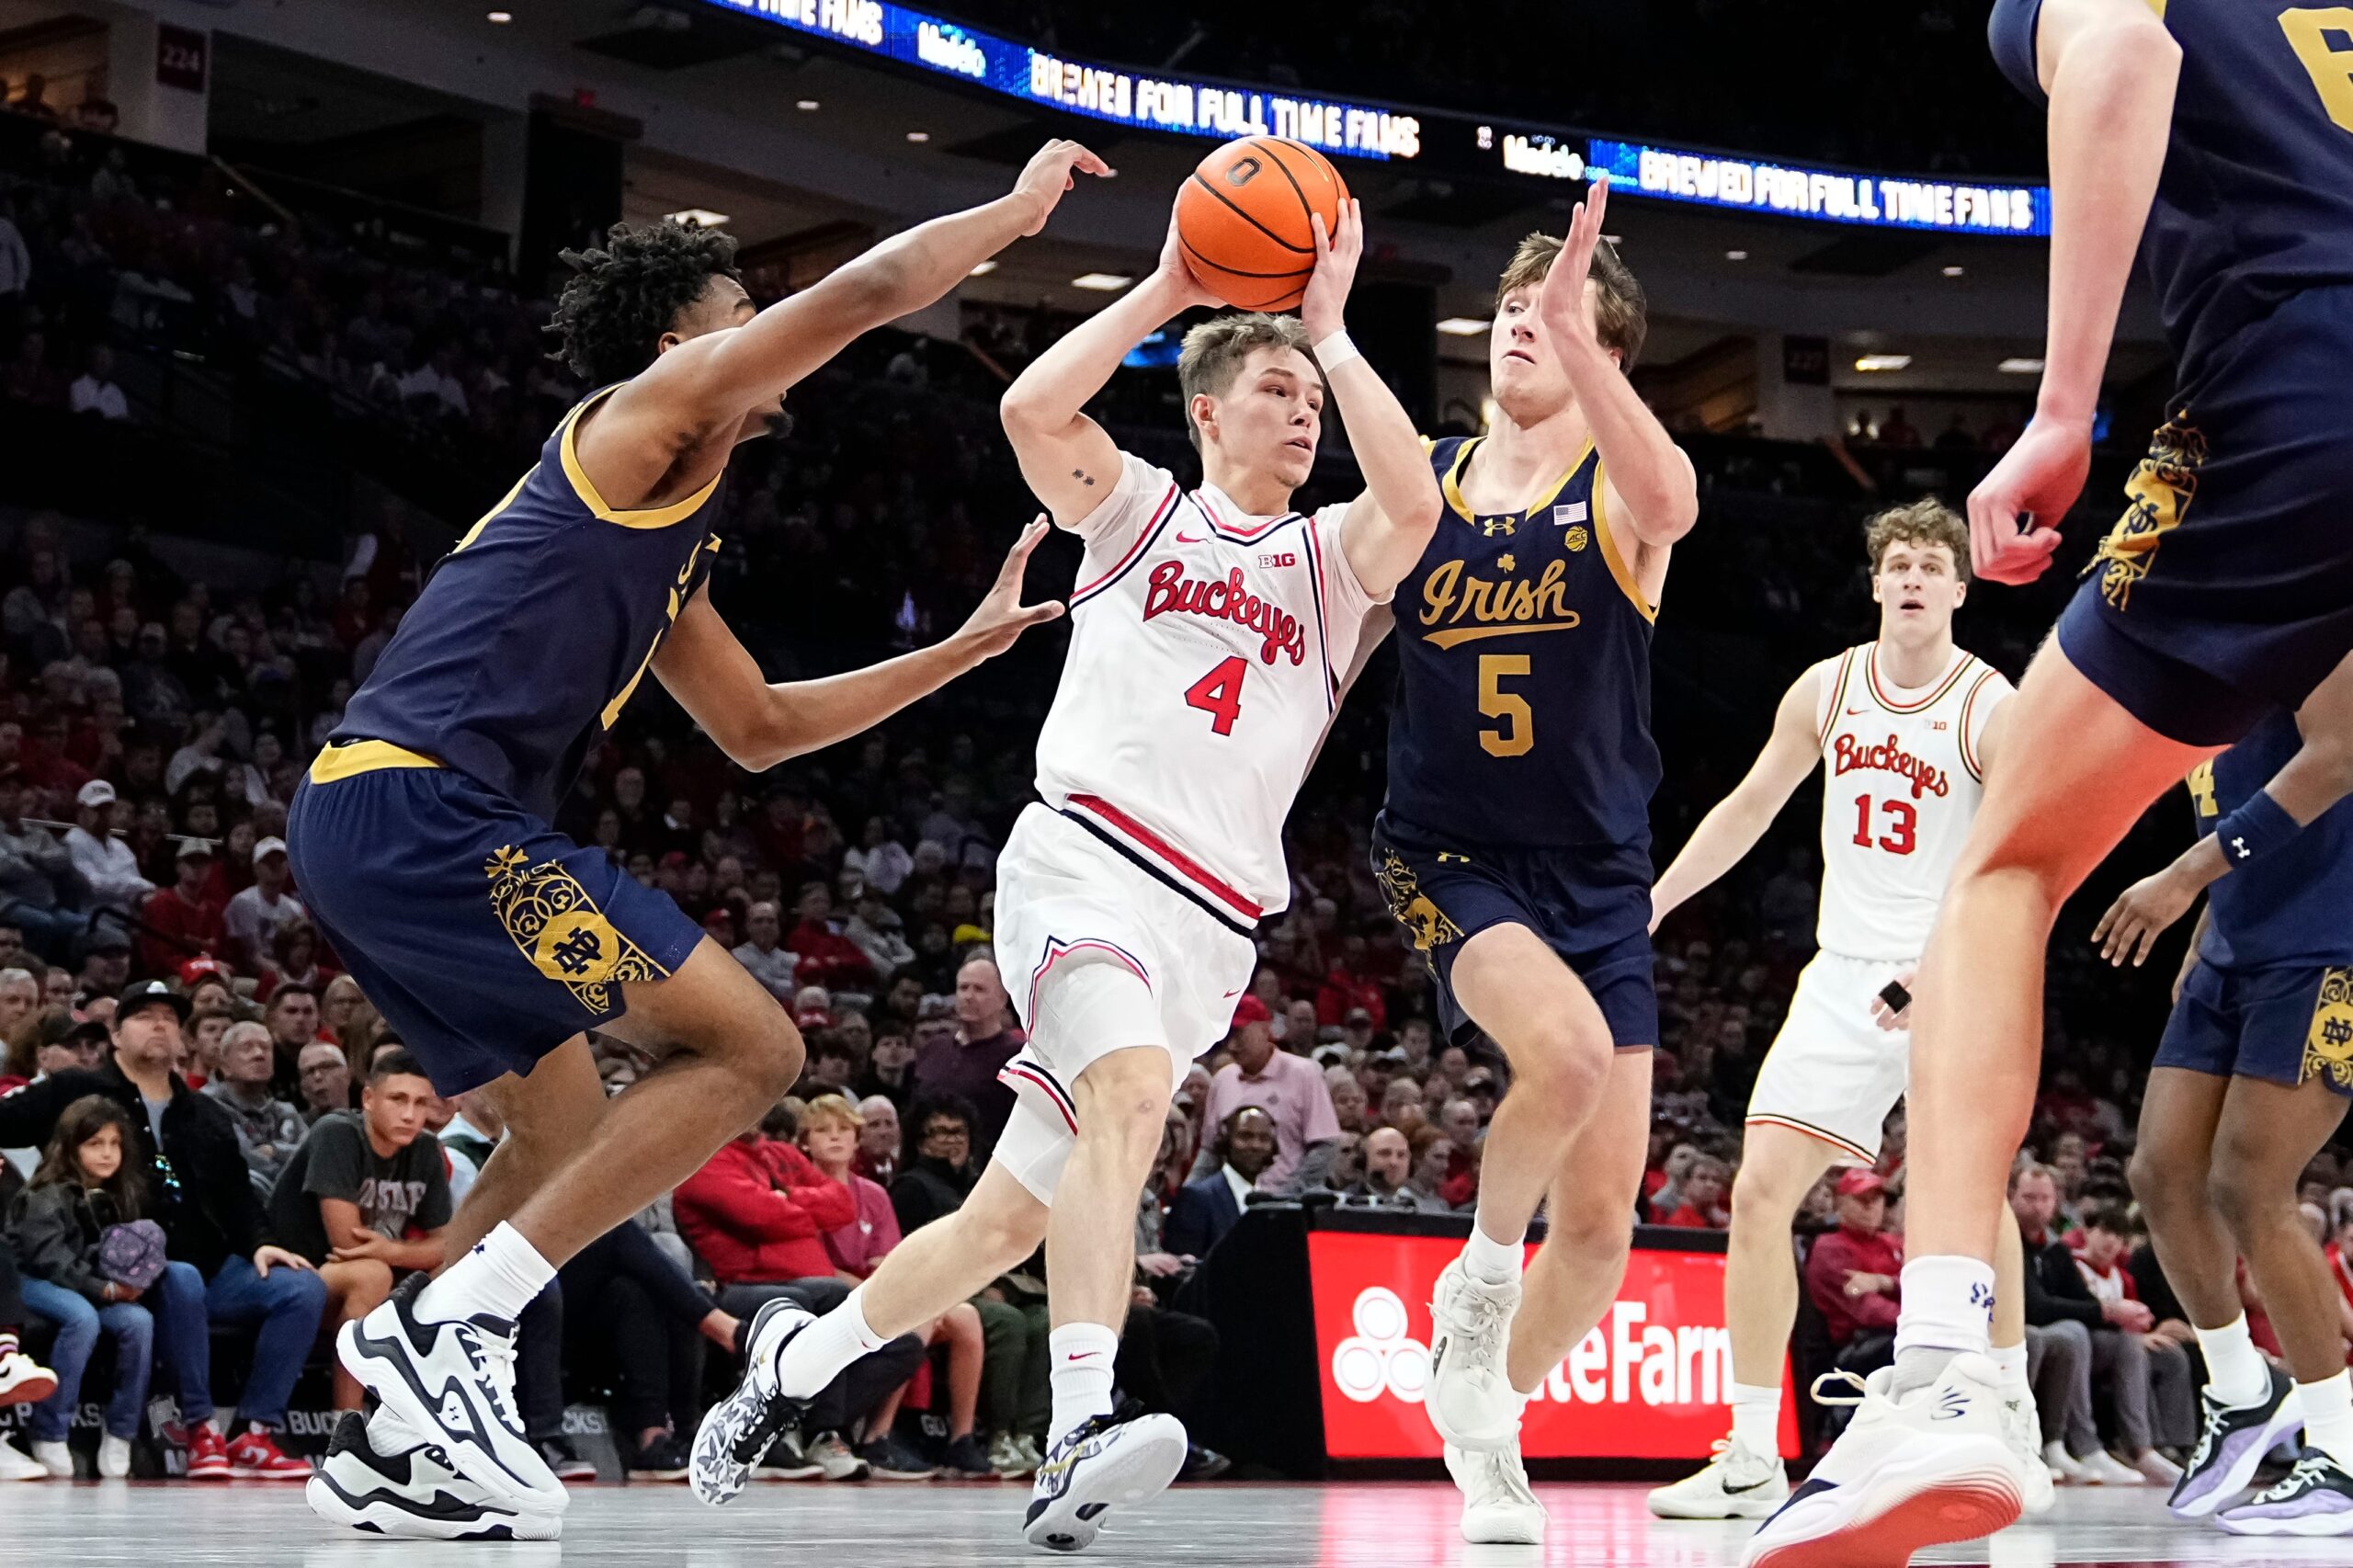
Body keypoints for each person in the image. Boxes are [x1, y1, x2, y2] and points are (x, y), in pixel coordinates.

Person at [281, 145, 1103, 1541]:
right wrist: (1019, 219)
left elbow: (761, 724)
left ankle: (397, 1441)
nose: (769, 328)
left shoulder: (665, 526)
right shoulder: (638, 418)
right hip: (424, 808)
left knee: (556, 1124)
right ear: (684, 342)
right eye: (745, 309)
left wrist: (956, 654)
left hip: (376, 819)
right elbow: (871, 288)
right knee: (755, 1049)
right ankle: (447, 1332)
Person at [693, 183, 1436, 1557]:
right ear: (1208, 410)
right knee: (1134, 1091)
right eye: (1275, 388)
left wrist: (1331, 334)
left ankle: (792, 1368)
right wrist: (1165, 287)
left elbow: (1418, 499)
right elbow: (1032, 413)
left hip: (1213, 924)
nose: (1303, 410)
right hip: (1087, 864)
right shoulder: (1143, 512)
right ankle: (1080, 1425)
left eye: (1309, 396)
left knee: (995, 1225)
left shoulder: (1338, 562)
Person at [1760, 0, 2353, 1553]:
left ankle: (1951, 1372)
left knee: (2006, 871)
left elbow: (2122, 53)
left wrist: (2062, 407)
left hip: (2303, 386)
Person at [1364, 177, 1695, 1547]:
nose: (1519, 324)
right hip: (1448, 850)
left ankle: (1483, 1416)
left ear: (1605, 354)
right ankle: (1480, 1283)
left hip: (1600, 867)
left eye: (1553, 316)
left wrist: (1581, 320)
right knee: (1558, 1059)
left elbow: (1674, 496)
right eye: (1507, 308)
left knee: (1608, 1225)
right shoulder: (1424, 484)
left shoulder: (1619, 491)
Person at [1642, 501, 2046, 1518]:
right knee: (1758, 1188)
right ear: (1874, 585)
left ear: (1959, 588)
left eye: (1929, 565)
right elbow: (1746, 805)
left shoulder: (1988, 704)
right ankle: (1745, 1450)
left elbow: (2013, 857)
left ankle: (2007, 1411)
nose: (1911, 577)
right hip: (1842, 971)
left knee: (1968, 1190)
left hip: (1948, 964)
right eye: (1895, 563)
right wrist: (1653, 901)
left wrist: (1945, 969)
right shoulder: (1825, 688)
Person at [2093, 698, 2353, 1527]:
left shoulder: (2318, 621)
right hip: (2232, 946)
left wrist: (2180, 880)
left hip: (2326, 947)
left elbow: (2333, 763)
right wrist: (2209, 920)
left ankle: (2342, 1451)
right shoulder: (2210, 660)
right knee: (2162, 1172)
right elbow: (2245, 811)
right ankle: (2243, 1390)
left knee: (2249, 1185)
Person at [0, 980, 324, 1481]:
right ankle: (200, 1431)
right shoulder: (77, 1090)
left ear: (183, 1037)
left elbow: (238, 1198)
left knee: (302, 1286)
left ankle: (255, 1432)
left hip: (207, 1269)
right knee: (182, 1276)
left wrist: (263, 1244)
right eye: (144, 1015)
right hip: (111, 1273)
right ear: (115, 1033)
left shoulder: (206, 1113)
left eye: (170, 1018)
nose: (159, 1025)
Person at [802, 1093, 993, 1480]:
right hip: (836, 1290)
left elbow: (889, 1258)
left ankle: (962, 1439)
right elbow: (817, 1264)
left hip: (879, 1286)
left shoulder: (873, 1193)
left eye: (844, 1130)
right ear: (804, 1142)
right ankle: (879, 1434)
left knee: (967, 1317)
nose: (836, 1138)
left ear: (857, 1140)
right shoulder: (803, 1190)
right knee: (919, 1319)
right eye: (824, 1131)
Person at [7, 1096, 193, 1478]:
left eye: (114, 1144)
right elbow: (51, 1261)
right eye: (95, 1144)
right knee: (81, 1318)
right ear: (71, 1147)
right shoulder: (46, 1192)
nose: (107, 1154)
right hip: (31, 1282)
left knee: (138, 1321)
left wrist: (134, 1279)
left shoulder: (121, 1194)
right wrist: (105, 1289)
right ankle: (49, 1430)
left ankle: (122, 1432)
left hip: (89, 1286)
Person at [267, 1050, 452, 1414]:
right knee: (371, 1273)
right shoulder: (337, 1134)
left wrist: (394, 1252)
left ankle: (436, 1419)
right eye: (398, 1099)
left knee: (451, 1278)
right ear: (368, 1099)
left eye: (420, 1103)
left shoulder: (427, 1148)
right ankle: (347, 1423)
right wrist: (403, 1254)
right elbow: (347, 1243)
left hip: (373, 1269)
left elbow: (447, 1244)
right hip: (302, 1273)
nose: (410, 1114)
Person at [1200, 996, 1338, 1194]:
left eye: (1240, 1034)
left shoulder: (1304, 1073)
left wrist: (1289, 1196)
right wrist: (1188, 1194)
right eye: (1227, 1036)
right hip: (1230, 1202)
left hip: (1284, 1199)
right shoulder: (1223, 1079)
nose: (1232, 1045)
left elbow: (1325, 1145)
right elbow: (1210, 1152)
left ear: (1265, 1029)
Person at [904, 955, 1025, 1153]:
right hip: (925, 1169)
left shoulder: (1016, 1057)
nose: (969, 996)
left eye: (979, 989)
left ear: (1002, 999)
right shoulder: (932, 1048)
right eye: (963, 988)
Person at [1800, 1170, 1904, 1361]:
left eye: (1876, 1198)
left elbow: (1922, 1285)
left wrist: (1883, 1282)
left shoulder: (1892, 1243)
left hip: (1896, 1330)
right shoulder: (1830, 1248)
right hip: (1857, 1344)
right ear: (1840, 1204)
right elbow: (1866, 1309)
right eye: (1861, 1199)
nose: (1870, 1206)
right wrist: (1917, 1318)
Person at [203, 1020, 307, 1197]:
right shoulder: (207, 1106)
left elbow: (313, 1157)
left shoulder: (286, 1111)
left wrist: (274, 1150)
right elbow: (243, 1161)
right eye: (247, 1048)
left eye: (266, 1048)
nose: (259, 1054)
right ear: (225, 1065)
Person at [1165, 1107, 1277, 1258]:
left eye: (1264, 1139)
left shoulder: (1269, 1202)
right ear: (1226, 1140)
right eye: (1245, 1137)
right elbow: (1181, 1272)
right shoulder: (1196, 1198)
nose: (1255, 1145)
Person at [222, 836, 305, 980]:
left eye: (280, 860)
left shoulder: (295, 908)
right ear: (255, 867)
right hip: (248, 974)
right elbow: (251, 955)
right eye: (267, 861)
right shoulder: (244, 902)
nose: (275, 865)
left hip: (285, 971)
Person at [63, 779, 153, 910]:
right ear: (81, 809)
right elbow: (93, 884)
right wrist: (141, 884)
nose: (103, 815)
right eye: (97, 809)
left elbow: (137, 891)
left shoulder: (120, 847)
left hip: (128, 919)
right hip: (92, 918)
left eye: (107, 809)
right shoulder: (73, 841)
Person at [731, 900, 796, 1002]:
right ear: (748, 926)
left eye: (771, 921)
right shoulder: (735, 958)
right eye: (758, 921)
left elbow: (795, 991)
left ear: (778, 926)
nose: (765, 927)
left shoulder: (793, 960)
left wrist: (762, 980)